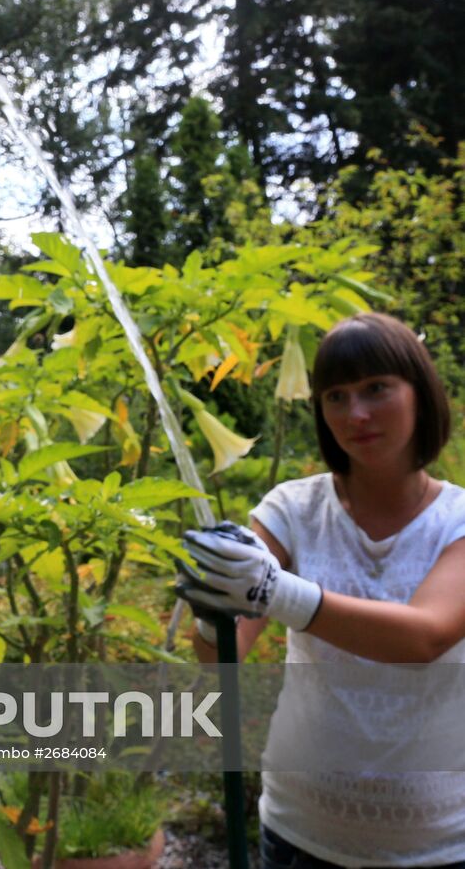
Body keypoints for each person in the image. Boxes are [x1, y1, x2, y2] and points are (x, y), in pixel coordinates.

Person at [175, 311, 465, 868]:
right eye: (335, 396)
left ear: (421, 394)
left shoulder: (457, 521)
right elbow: (225, 656)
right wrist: (211, 606)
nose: (355, 413)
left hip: (439, 846)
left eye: (376, 388)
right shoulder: (292, 509)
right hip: (300, 838)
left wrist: (270, 590)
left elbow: (424, 638)